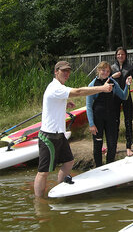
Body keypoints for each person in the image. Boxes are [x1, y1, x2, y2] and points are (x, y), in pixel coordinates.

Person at [34, 61, 113, 197]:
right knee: (43, 172)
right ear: (56, 72)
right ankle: (39, 202)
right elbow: (78, 91)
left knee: (69, 162)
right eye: (63, 71)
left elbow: (55, 102)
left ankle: (59, 190)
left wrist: (64, 104)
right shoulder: (55, 87)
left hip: (59, 135)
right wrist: (102, 88)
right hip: (49, 136)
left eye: (68, 71)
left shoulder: (59, 88)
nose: (66, 74)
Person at [86, 61, 132, 167]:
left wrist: (127, 85)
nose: (105, 73)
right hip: (98, 118)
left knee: (112, 144)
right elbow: (88, 106)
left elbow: (124, 96)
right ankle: (98, 167)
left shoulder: (113, 82)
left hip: (111, 117)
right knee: (98, 144)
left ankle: (109, 166)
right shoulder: (92, 85)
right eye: (103, 70)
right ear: (98, 71)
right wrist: (91, 124)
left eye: (107, 71)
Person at [111, 47, 133, 157]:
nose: (120, 56)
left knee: (128, 121)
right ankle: (114, 146)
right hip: (114, 97)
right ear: (116, 56)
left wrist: (132, 78)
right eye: (118, 54)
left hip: (126, 96)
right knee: (114, 122)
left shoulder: (130, 67)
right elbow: (104, 80)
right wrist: (112, 76)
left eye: (122, 54)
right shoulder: (112, 68)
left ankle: (128, 147)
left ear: (126, 56)